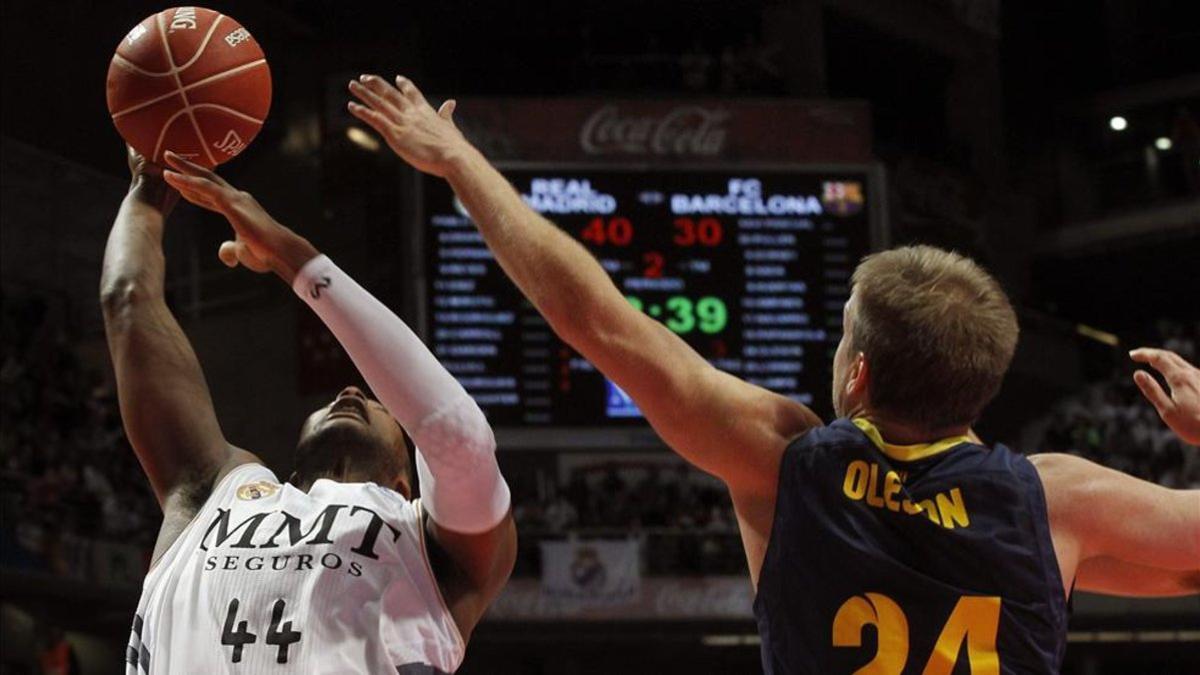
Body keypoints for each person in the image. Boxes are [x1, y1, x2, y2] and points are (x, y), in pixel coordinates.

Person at [345, 73, 1200, 673]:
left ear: (858, 373)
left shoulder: (786, 461)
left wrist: (460, 163)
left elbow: (599, 320)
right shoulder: (1057, 502)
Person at [102, 147, 515, 673]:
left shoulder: (433, 549)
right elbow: (127, 300)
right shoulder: (212, 490)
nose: (350, 391)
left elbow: (458, 436)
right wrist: (147, 190)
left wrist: (293, 259)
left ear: (405, 484)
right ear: (291, 470)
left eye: (375, 399)